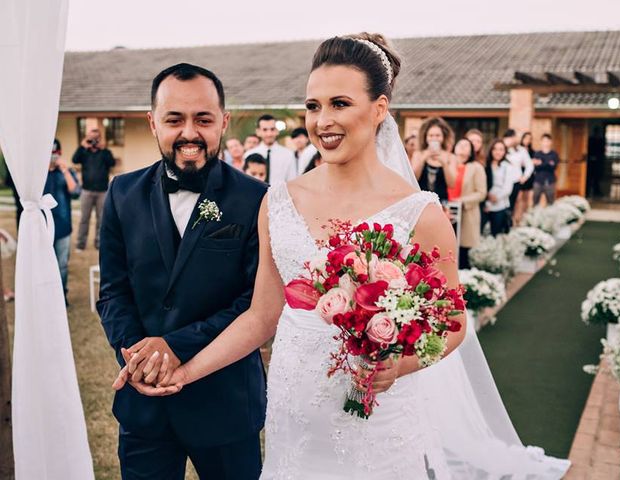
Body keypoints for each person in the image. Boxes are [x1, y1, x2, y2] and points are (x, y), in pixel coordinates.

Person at [120, 33, 569, 480]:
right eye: (313, 106)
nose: (322, 120)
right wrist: (186, 371)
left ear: (379, 109)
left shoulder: (420, 212)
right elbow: (260, 318)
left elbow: (451, 323)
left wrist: (402, 364)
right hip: (293, 417)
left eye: (339, 103)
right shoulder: (277, 202)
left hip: (379, 422)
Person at [98, 63, 267, 479]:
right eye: (175, 119)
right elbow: (113, 292)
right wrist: (140, 355)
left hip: (226, 404)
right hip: (145, 405)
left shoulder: (257, 199)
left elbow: (252, 302)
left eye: (203, 119)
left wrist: (173, 348)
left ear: (223, 122)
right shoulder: (122, 193)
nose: (189, 132)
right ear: (152, 122)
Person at [45, 139, 81, 304]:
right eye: (50, 153)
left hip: (63, 225)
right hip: (42, 227)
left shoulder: (66, 172)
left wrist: (65, 170)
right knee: (43, 264)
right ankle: (46, 298)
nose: (53, 157)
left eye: (55, 153)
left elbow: (75, 192)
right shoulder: (38, 173)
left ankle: (61, 297)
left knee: (62, 265)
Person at [72, 127, 115, 250]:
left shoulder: (105, 152)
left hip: (102, 191)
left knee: (101, 220)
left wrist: (104, 148)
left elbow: (112, 163)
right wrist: (82, 146)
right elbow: (74, 160)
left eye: (96, 138)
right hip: (86, 190)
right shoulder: (84, 152)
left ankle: (100, 244)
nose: (94, 141)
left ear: (100, 138)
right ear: (87, 138)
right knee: (84, 219)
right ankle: (81, 244)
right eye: (91, 138)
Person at [450, 138, 486, 268]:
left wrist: (462, 201)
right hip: (446, 211)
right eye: (460, 144)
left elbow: (481, 193)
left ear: (471, 151)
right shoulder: (447, 165)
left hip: (465, 212)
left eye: (466, 146)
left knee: (462, 250)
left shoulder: (476, 168)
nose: (462, 147)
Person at [411, 117, 457, 202]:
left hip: (442, 202)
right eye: (431, 135)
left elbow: (452, 184)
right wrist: (423, 159)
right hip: (421, 202)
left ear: (443, 137)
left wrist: (444, 163)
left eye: (438, 135)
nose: (434, 138)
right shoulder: (418, 154)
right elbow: (413, 179)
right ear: (426, 137)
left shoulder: (451, 157)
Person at [244, 114, 297, 184]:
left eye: (272, 129)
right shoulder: (249, 154)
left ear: (277, 131)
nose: (269, 134)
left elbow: (292, 180)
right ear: (258, 132)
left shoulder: (288, 154)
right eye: (265, 130)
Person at [502, 129, 533, 225]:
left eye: (513, 138)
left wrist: (525, 177)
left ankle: (514, 222)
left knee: (515, 203)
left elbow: (529, 165)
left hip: (516, 182)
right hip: (502, 182)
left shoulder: (521, 150)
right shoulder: (501, 149)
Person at [485, 139, 513, 236]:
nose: (498, 152)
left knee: (496, 234)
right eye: (495, 149)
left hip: (500, 204)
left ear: (505, 151)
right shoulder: (485, 165)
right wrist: (487, 199)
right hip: (485, 204)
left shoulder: (507, 166)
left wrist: (495, 198)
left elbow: (508, 187)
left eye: (501, 149)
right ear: (491, 150)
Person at [532, 133, 560, 206]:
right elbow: (536, 167)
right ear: (541, 142)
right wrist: (547, 162)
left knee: (551, 203)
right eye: (544, 141)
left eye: (547, 141)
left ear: (551, 142)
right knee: (535, 202)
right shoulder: (537, 154)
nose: (546, 143)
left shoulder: (554, 154)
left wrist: (541, 162)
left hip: (550, 181)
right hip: (538, 181)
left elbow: (553, 167)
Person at [517, 131, 536, 215]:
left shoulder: (532, 152)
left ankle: (524, 216)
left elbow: (532, 163)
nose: (527, 140)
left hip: (529, 176)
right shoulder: (517, 150)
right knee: (518, 198)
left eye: (529, 139)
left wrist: (530, 162)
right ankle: (516, 216)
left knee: (527, 198)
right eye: (526, 138)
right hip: (519, 176)